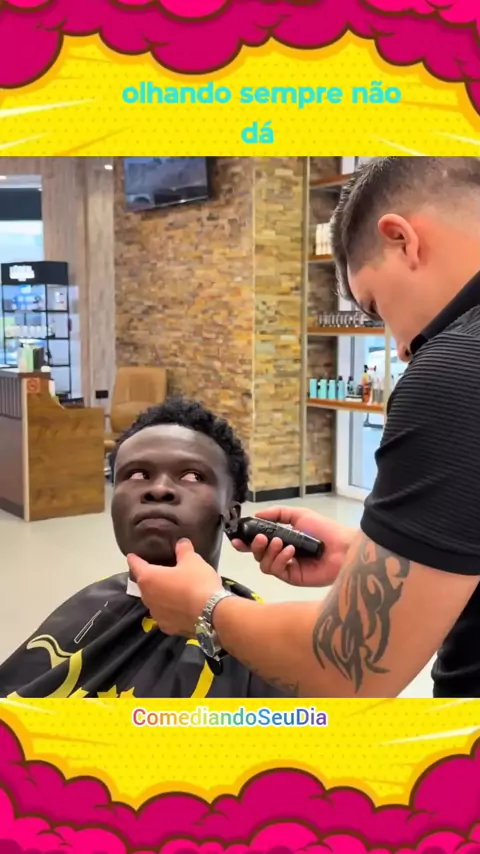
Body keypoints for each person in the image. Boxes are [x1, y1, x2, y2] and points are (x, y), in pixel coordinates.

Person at [129, 156, 480, 699]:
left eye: (376, 306)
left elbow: (345, 670)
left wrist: (206, 608)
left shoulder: (455, 368)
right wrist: (369, 556)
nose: (399, 348)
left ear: (402, 239)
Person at [0, 397, 289, 699]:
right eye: (137, 474)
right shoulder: (90, 604)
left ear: (231, 515)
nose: (159, 489)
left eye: (192, 476)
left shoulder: (262, 647)